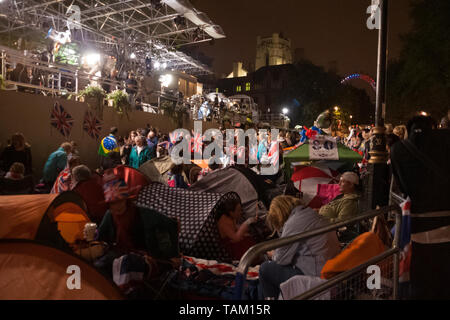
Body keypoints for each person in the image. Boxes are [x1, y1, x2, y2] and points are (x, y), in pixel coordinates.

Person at [390, 115, 450, 299]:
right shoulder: (445, 141)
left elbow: (400, 185)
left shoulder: (398, 149)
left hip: (418, 228)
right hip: (446, 221)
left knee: (421, 279)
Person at [259, 195, 341, 299]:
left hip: (316, 277)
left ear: (280, 213)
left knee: (265, 269)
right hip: (330, 272)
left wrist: (272, 254)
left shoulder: (295, 221)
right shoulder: (309, 214)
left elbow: (281, 259)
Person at [97, 171, 144, 252]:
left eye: (120, 201)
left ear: (126, 200)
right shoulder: (109, 214)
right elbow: (100, 235)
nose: (117, 206)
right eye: (113, 203)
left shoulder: (137, 212)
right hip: (116, 252)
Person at [216, 196, 259, 261]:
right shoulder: (223, 222)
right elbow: (235, 238)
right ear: (231, 212)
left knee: (250, 238)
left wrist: (246, 229)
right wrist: (246, 223)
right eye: (238, 211)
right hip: (230, 245)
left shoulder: (231, 217)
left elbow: (235, 227)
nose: (240, 212)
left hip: (235, 240)